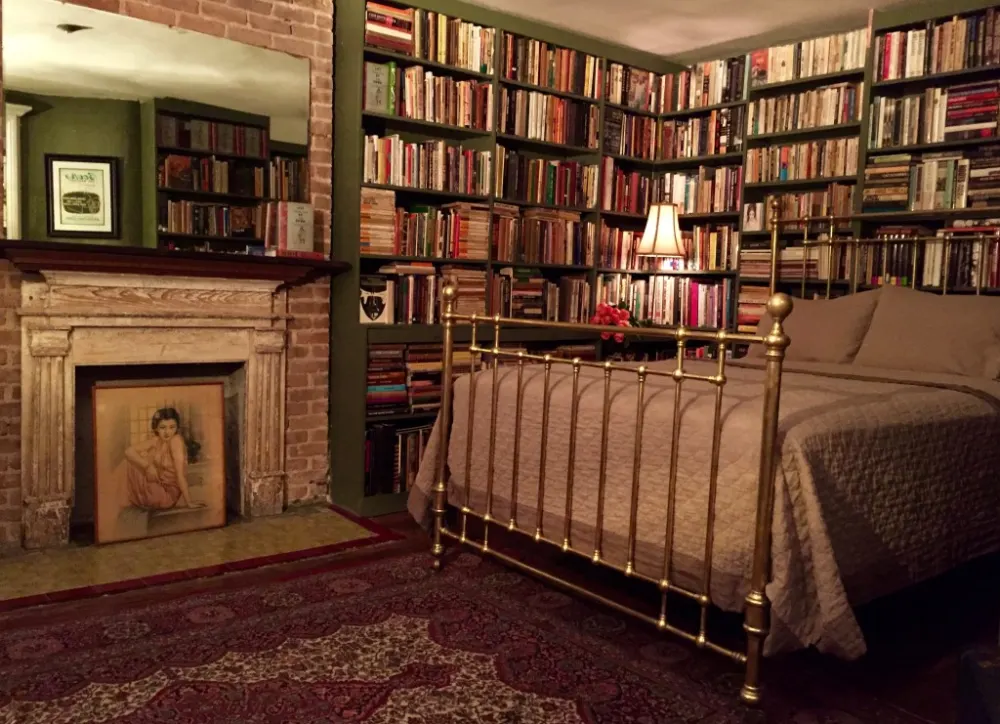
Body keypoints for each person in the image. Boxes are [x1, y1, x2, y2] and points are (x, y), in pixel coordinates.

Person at [124, 407, 194, 510]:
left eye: (172, 427)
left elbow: (180, 475)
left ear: (177, 427)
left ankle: (137, 499)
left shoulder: (176, 441)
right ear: (156, 428)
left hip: (168, 494)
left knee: (136, 462)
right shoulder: (156, 440)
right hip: (158, 485)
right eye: (162, 427)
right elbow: (128, 451)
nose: (167, 432)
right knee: (132, 461)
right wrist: (148, 466)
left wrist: (189, 503)